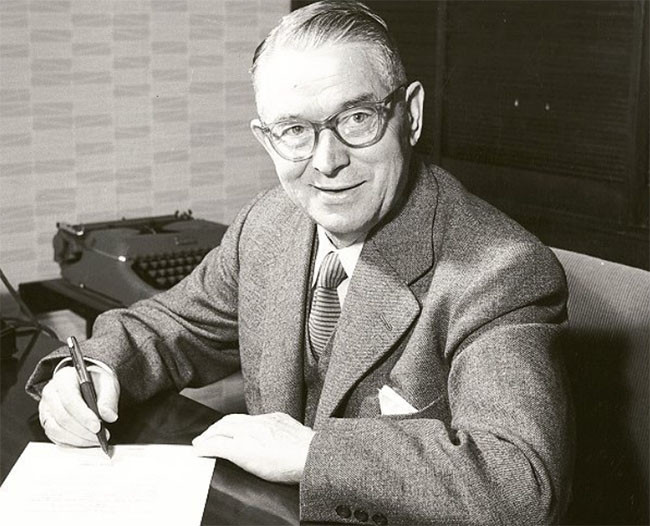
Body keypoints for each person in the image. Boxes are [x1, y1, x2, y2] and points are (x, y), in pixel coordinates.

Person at [26, 1, 573, 524]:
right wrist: (90, 371)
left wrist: (312, 454)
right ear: (267, 141)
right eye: (294, 131)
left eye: (356, 118)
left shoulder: (500, 270)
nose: (327, 161)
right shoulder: (268, 224)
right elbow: (170, 326)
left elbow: (521, 484)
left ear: (410, 115)